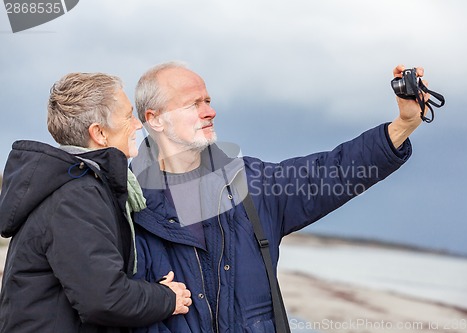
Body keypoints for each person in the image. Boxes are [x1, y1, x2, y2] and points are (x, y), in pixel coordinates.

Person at [130, 62, 428, 333]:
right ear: (155, 119)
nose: (209, 111)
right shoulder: (126, 203)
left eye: (207, 101)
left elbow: (328, 172)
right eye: (192, 104)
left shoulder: (250, 184)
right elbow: (104, 299)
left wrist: (403, 125)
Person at [0, 72, 192, 333]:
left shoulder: (79, 186)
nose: (137, 125)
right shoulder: (76, 197)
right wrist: (168, 298)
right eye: (127, 116)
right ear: (99, 133)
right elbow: (105, 299)